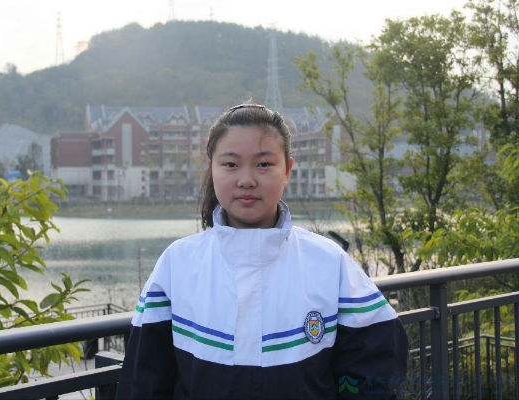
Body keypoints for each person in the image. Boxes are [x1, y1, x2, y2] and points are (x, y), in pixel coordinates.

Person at [117, 103, 408, 399]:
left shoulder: (329, 262)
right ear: (212, 169)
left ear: (287, 170)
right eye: (231, 165)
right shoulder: (177, 263)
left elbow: (376, 363)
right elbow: (144, 381)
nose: (247, 180)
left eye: (264, 164)